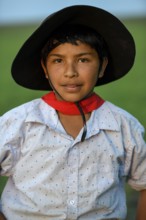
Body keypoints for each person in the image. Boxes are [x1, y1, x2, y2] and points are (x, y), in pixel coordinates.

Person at [0, 5, 146, 220]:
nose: (70, 72)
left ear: (103, 66)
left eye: (83, 60)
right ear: (44, 68)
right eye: (58, 61)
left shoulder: (123, 125)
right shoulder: (17, 122)